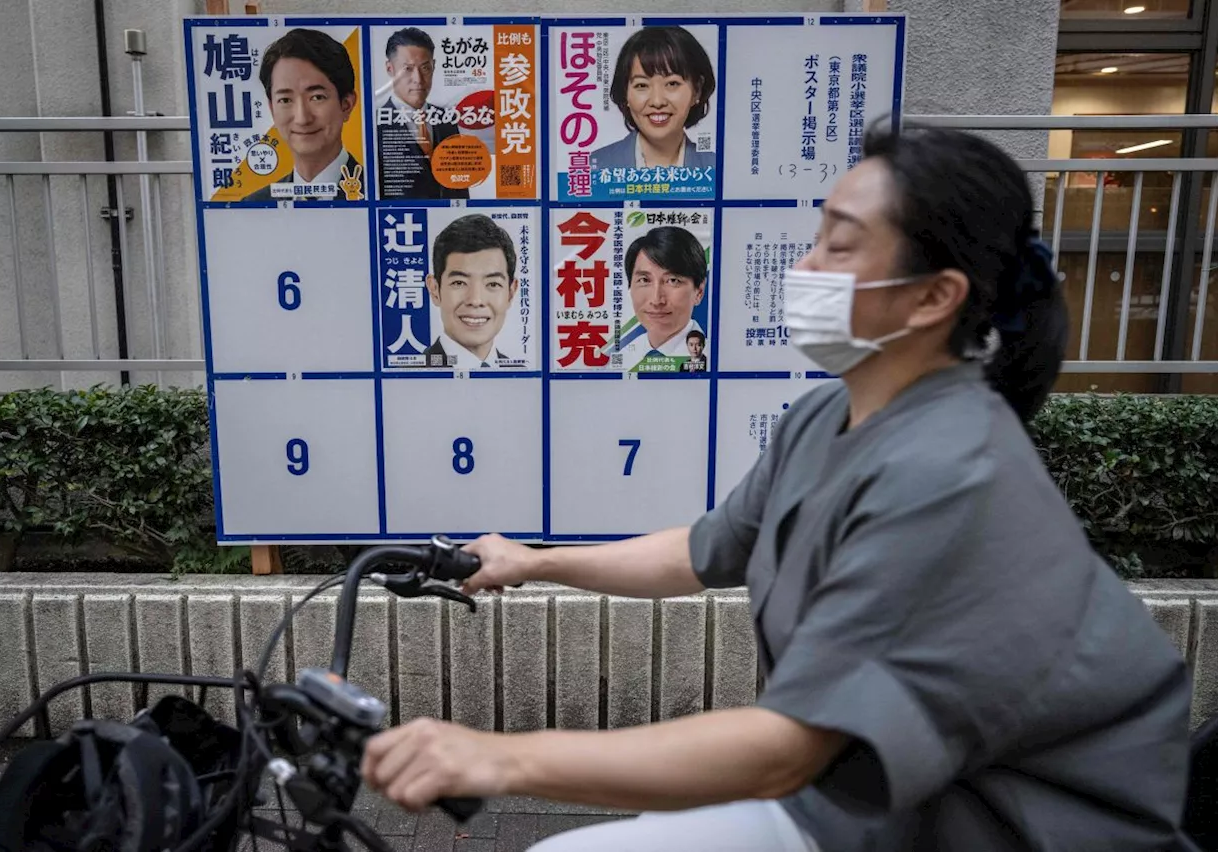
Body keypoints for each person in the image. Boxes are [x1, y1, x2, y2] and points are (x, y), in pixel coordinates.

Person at [358, 121, 1195, 851]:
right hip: (865, 806)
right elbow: (701, 550)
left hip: (997, 828)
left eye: (840, 241)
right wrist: (530, 562)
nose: (806, 264)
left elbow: (789, 746)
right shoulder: (826, 416)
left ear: (936, 296)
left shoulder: (954, 469)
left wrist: (501, 756)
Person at [243, 28, 361, 202]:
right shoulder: (255, 205)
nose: (302, 118)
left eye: (317, 97)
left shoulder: (389, 198)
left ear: (346, 104)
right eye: (285, 100)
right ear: (272, 109)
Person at [589, 26, 717, 173]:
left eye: (672, 83)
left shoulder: (718, 170)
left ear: (697, 90)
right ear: (625, 93)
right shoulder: (594, 168)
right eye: (642, 85)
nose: (657, 101)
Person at [375, 27, 468, 200]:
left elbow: (459, 186)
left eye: (425, 68)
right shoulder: (374, 125)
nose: (418, 79)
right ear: (390, 69)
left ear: (434, 67)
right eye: (408, 69)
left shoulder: (446, 119)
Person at [423, 214, 521, 369]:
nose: (476, 300)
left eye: (493, 284)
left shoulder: (522, 375)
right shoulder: (408, 377)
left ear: (511, 292)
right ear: (434, 290)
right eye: (459, 283)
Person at [617, 225, 708, 371]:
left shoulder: (716, 359)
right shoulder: (622, 357)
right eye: (645, 280)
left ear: (699, 292)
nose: (656, 300)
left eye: (673, 280)